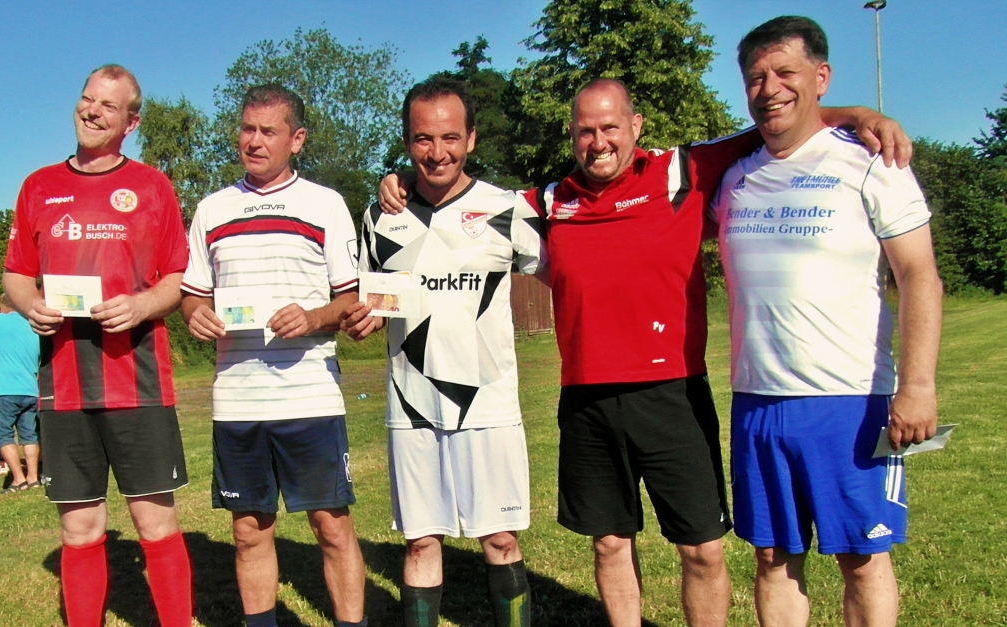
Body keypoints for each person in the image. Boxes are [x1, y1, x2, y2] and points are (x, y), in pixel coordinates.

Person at [378, 82, 911, 627]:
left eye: (610, 127)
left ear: (636, 127)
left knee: (702, 549)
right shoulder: (549, 202)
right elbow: (458, 203)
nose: (598, 141)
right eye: (585, 130)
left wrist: (856, 113)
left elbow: (774, 123)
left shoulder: (678, 172)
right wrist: (397, 185)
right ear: (572, 136)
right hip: (587, 400)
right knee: (609, 545)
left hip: (672, 393)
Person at [711, 16, 942, 627]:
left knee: (863, 559)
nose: (769, 88)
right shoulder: (733, 177)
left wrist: (917, 386)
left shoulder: (873, 163)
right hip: (757, 400)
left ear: (821, 76)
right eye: (756, 77)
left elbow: (920, 276)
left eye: (785, 72)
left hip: (850, 400)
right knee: (771, 556)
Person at [340, 76, 541, 627]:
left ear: (471, 139)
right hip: (410, 403)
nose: (438, 152)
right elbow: (369, 303)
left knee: (500, 538)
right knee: (421, 543)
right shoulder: (379, 215)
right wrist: (359, 320)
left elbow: (561, 272)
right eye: (423, 139)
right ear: (407, 142)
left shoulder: (508, 210)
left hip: (488, 401)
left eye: (450, 138)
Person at [3, 64, 192, 627]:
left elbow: (177, 278)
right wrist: (27, 302)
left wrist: (138, 306)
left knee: (155, 523)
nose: (92, 111)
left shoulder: (153, 186)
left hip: (138, 380)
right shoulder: (38, 185)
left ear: (130, 122)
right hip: (61, 385)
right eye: (87, 99)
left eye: (108, 106)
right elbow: (16, 273)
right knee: (79, 528)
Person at [180, 84, 367, 627]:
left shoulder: (325, 203)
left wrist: (311, 318)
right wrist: (195, 314)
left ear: (297, 139)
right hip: (237, 400)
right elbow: (194, 293)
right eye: (247, 129)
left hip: (309, 394)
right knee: (248, 533)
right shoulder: (212, 208)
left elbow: (351, 298)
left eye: (268, 131)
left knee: (332, 526)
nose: (254, 141)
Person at [0, 295, 41, 492]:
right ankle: (33, 477)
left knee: (3, 434)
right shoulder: (32, 324)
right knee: (29, 435)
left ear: (2, 305)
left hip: (4, 390)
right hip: (30, 388)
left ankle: (18, 479)